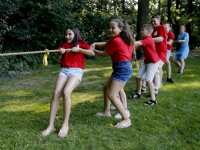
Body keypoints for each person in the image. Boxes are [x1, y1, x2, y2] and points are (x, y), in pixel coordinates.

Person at [40, 27, 95, 138]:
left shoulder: (80, 43)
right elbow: (57, 58)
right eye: (66, 34)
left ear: (75, 35)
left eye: (70, 34)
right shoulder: (62, 43)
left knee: (66, 92)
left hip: (77, 70)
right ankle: (51, 126)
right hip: (64, 70)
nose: (67, 36)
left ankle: (65, 125)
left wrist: (79, 50)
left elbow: (92, 53)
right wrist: (60, 53)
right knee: (56, 94)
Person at [91, 19, 134, 128]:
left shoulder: (117, 40)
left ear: (120, 29)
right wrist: (95, 44)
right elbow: (105, 44)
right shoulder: (116, 38)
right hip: (120, 67)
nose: (110, 30)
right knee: (106, 88)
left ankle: (126, 119)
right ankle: (106, 111)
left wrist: (93, 50)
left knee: (112, 95)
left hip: (123, 69)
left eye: (113, 28)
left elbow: (105, 54)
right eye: (109, 27)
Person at [130, 24, 160, 105]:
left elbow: (137, 43)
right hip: (146, 61)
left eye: (143, 30)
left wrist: (129, 42)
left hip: (153, 63)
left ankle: (153, 100)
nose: (141, 31)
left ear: (149, 32)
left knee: (148, 80)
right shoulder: (145, 39)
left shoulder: (149, 39)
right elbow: (138, 46)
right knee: (138, 77)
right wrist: (134, 47)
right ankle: (139, 94)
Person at [151, 14, 167, 96]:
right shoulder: (152, 30)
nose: (153, 22)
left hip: (161, 53)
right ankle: (142, 88)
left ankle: (155, 90)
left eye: (155, 21)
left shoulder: (162, 27)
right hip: (154, 53)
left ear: (159, 21)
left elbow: (160, 39)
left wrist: (147, 40)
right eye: (152, 21)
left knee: (157, 69)